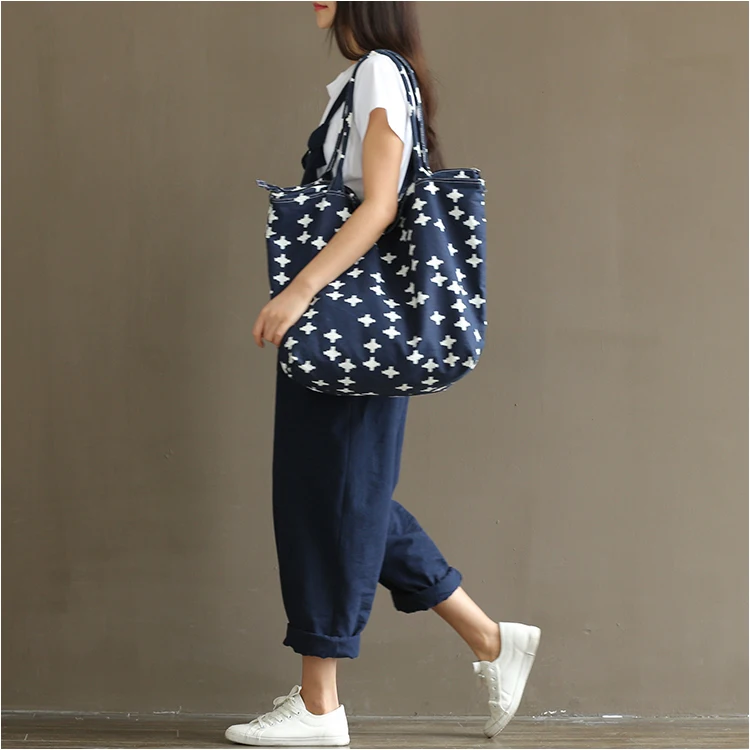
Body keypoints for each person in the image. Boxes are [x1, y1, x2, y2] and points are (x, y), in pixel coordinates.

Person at [226, 2, 540, 746]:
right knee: (338, 494)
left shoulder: (377, 74)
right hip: (343, 334)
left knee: (332, 498)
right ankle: (488, 639)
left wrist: (299, 290)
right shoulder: (361, 80)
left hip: (347, 329)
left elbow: (380, 205)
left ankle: (320, 705)